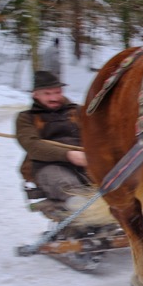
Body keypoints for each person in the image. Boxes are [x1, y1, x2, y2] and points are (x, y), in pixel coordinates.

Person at [15, 70, 91, 205]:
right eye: (47, 94)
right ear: (35, 94)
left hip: (88, 162)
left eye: (57, 92)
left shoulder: (79, 112)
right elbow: (33, 147)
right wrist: (69, 155)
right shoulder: (26, 118)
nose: (54, 98)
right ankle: (81, 208)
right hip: (48, 166)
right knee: (67, 187)